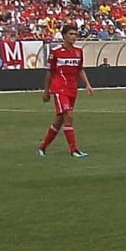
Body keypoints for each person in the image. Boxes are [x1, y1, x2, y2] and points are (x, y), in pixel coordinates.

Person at [37, 25, 93, 158]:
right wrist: (46, 91)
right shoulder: (56, 51)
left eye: (75, 34)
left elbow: (80, 69)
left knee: (59, 121)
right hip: (59, 88)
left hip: (72, 89)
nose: (74, 36)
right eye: (71, 34)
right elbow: (50, 72)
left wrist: (87, 84)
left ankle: (42, 147)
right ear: (64, 36)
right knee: (69, 116)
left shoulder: (78, 52)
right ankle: (74, 150)